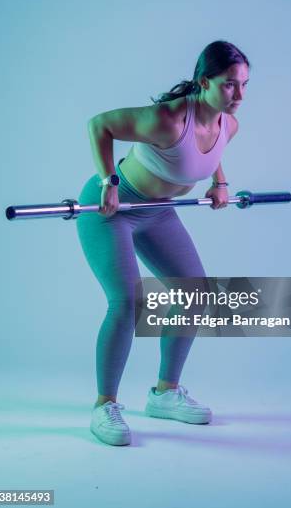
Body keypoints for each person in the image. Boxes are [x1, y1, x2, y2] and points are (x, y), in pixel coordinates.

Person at [76, 40, 250, 445]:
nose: (238, 95)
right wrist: (108, 181)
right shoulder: (168, 120)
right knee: (128, 302)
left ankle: (165, 394)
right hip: (111, 211)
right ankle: (104, 405)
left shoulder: (229, 123)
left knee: (194, 291)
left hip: (159, 212)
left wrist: (219, 182)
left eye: (243, 85)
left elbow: (210, 152)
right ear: (204, 82)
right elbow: (99, 125)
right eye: (229, 85)